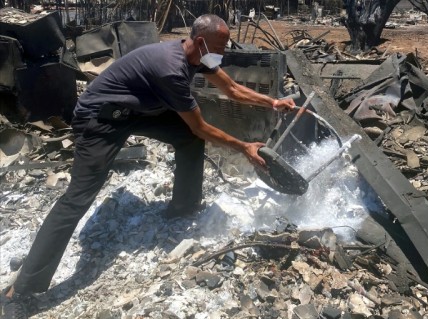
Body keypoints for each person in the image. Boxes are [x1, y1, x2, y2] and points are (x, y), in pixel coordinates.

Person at [0, 14, 295, 318]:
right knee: (77, 198)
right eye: (222, 43)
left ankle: (185, 205)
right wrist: (246, 147)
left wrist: (271, 102)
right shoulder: (171, 69)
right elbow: (202, 128)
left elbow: (232, 88)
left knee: (185, 138)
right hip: (99, 119)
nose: (226, 48)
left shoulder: (198, 55)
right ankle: (24, 287)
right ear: (202, 41)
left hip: (134, 111)